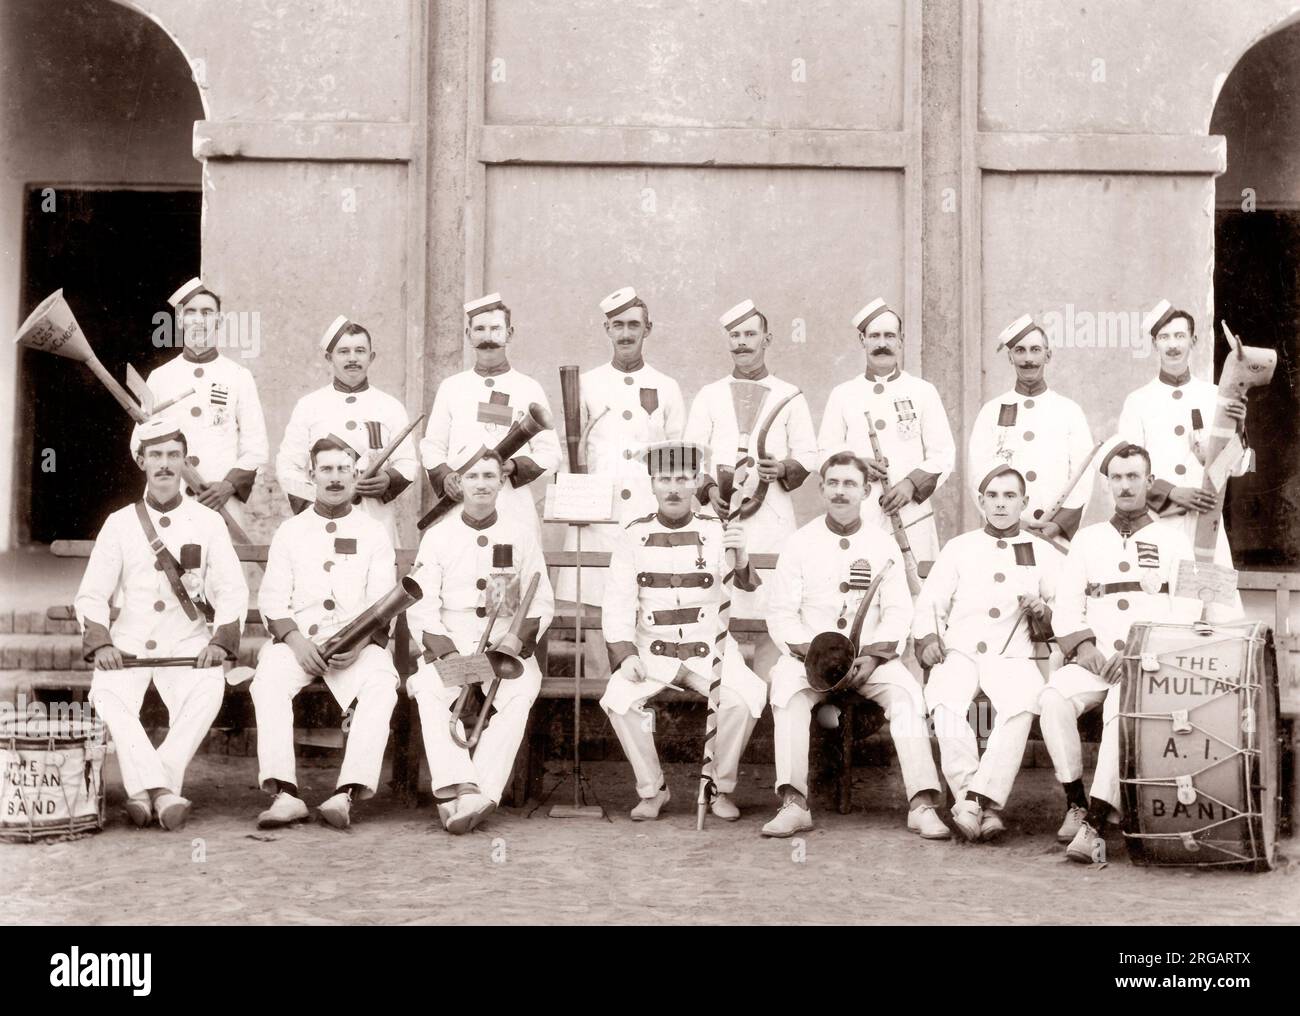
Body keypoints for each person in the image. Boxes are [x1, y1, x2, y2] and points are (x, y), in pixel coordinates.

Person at [1039, 439, 1234, 862]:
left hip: (1146, 664)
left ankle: (1093, 824)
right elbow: (1067, 604)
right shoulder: (1088, 540)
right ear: (1108, 483)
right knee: (1053, 698)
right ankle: (1074, 800)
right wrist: (1086, 647)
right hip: (1095, 659)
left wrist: (1137, 654)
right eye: (1117, 477)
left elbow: (1186, 608)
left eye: (1133, 477)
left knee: (1118, 714)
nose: (1125, 485)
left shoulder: (1174, 539)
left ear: (1149, 481)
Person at [75, 417, 248, 830]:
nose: (166, 465)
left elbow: (232, 591)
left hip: (187, 647)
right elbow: (91, 594)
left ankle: (145, 790)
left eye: (174, 455)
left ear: (185, 461)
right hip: (128, 649)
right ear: (141, 461)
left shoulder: (208, 522)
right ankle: (164, 792)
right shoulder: (119, 523)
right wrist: (101, 644)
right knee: (106, 695)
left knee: (209, 690)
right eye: (156, 455)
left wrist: (220, 643)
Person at [763, 452, 948, 838]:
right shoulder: (800, 543)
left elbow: (899, 611)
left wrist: (872, 657)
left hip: (869, 661)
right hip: (809, 660)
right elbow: (781, 613)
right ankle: (794, 802)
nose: (840, 492)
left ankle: (922, 803)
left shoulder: (882, 543)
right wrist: (811, 656)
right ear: (821, 488)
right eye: (833, 483)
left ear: (866, 491)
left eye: (849, 484)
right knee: (787, 696)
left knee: (908, 696)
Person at [599, 441, 767, 821]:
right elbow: (617, 602)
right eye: (664, 479)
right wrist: (625, 655)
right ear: (653, 484)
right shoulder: (632, 535)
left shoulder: (719, 531)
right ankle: (653, 789)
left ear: (695, 483)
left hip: (711, 650)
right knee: (620, 700)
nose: (673, 488)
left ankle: (717, 788)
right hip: (651, 653)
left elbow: (749, 597)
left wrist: (741, 559)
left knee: (744, 699)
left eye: (682, 479)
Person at [252, 436, 400, 829]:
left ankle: (346, 793)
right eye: (326, 470)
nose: (335, 479)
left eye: (343, 469)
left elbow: (384, 603)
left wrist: (361, 642)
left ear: (355, 474)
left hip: (356, 644)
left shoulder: (373, 532)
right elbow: (272, 600)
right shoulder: (290, 530)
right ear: (312, 475)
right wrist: (297, 643)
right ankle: (285, 794)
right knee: (267, 680)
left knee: (382, 682)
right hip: (299, 642)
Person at [406, 450, 555, 834]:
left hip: (502, 648)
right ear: (458, 482)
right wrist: (449, 654)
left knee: (520, 693)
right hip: (454, 645)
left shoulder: (520, 534)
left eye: (490, 475)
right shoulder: (438, 537)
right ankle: (460, 785)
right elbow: (420, 606)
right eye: (472, 476)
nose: (482, 484)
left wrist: (515, 639)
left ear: (501, 481)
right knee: (427, 687)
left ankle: (479, 794)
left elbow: (541, 600)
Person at [913, 462, 1062, 841]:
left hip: (1013, 653)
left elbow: (1066, 610)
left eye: (1010, 496)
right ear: (981, 501)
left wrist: (1044, 612)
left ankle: (971, 802)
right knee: (943, 702)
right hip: (960, 652)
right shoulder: (959, 548)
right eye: (992, 496)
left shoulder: (1042, 552)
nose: (1000, 504)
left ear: (1023, 502)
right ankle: (983, 805)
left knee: (1020, 706)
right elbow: (931, 603)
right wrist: (929, 638)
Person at [688, 298, 817, 685]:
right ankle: (727, 695)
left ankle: (769, 698)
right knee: (718, 608)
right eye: (735, 336)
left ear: (767, 338)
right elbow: (692, 455)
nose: (742, 343)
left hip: (771, 515)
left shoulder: (789, 394)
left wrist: (780, 468)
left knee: (770, 610)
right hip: (720, 518)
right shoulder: (709, 394)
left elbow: (809, 453)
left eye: (750, 334)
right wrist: (709, 488)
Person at [556, 286, 685, 608]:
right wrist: (574, 505)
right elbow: (568, 455)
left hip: (649, 511)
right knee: (597, 609)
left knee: (651, 604)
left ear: (647, 329)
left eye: (633, 325)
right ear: (607, 330)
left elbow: (679, 457)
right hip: (598, 514)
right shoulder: (585, 383)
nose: (626, 334)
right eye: (618, 325)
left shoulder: (668, 387)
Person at [1117, 300, 1248, 592]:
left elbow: (1235, 469)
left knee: (1210, 611)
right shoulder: (1138, 401)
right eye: (1164, 337)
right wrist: (1172, 492)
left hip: (1207, 524)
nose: (1172, 345)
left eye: (1179, 336)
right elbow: (1125, 468)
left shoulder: (1216, 395)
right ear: (1155, 344)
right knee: (1162, 606)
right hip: (1157, 521)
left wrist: (1236, 431)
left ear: (1194, 340)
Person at [817, 298, 955, 567]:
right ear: (863, 341)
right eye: (875, 336)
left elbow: (943, 454)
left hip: (910, 512)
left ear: (900, 341)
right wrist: (856, 466)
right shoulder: (843, 394)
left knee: (912, 589)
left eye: (889, 336)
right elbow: (824, 452)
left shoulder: (923, 391)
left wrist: (910, 485)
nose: (882, 343)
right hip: (858, 512)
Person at [130, 277, 268, 529]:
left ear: (219, 321)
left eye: (207, 312)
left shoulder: (238, 375)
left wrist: (228, 487)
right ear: (181, 320)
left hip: (219, 501)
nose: (199, 320)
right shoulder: (159, 377)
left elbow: (256, 446)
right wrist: (166, 480)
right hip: (169, 498)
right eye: (191, 312)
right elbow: (138, 443)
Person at [420, 293, 562, 535]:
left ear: (510, 333)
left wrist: (514, 466)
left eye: (496, 329)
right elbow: (432, 446)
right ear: (468, 335)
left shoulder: (528, 387)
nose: (488, 338)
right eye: (480, 329)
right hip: (460, 502)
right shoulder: (451, 386)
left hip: (512, 505)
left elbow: (551, 454)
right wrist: (446, 478)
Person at [275, 316, 418, 546]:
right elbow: (288, 465)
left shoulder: (390, 406)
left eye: (360, 351)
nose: (352, 358)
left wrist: (387, 480)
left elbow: (408, 463)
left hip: (375, 518)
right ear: (329, 357)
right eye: (343, 352)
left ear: (371, 357)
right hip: (322, 521)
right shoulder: (309, 406)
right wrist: (314, 505)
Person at [967, 314, 1094, 541]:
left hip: (1054, 535)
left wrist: (1058, 525)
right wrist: (1008, 522)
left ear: (1048, 355)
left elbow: (1083, 476)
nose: (1028, 359)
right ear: (1010, 357)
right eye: (1020, 351)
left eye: (1035, 350)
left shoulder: (1069, 411)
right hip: (1004, 533)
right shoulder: (991, 411)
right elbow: (978, 473)